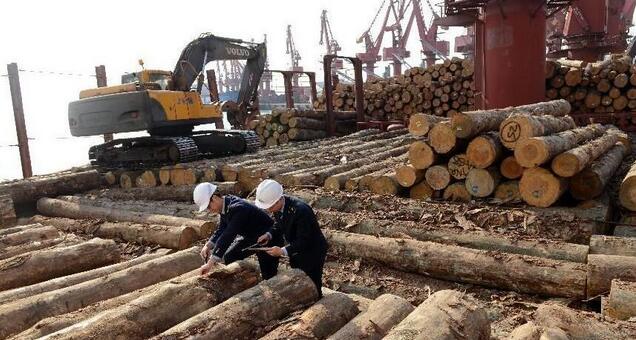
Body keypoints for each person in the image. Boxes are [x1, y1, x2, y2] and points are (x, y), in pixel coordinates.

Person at [255, 179, 328, 294]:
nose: (268, 210)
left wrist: (282, 251)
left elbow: (305, 240)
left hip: (312, 251)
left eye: (269, 207)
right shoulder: (280, 207)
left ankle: (317, 300)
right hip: (296, 250)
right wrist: (269, 234)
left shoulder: (301, 210)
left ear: (278, 200)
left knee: (312, 281)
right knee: (299, 277)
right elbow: (279, 223)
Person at [193, 182, 281, 278]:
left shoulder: (237, 208)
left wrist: (210, 262)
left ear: (214, 198)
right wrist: (208, 245)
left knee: (268, 275)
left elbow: (229, 235)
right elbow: (222, 228)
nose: (209, 210)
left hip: (267, 238)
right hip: (251, 237)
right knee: (230, 257)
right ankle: (243, 279)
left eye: (209, 207)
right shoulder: (225, 205)